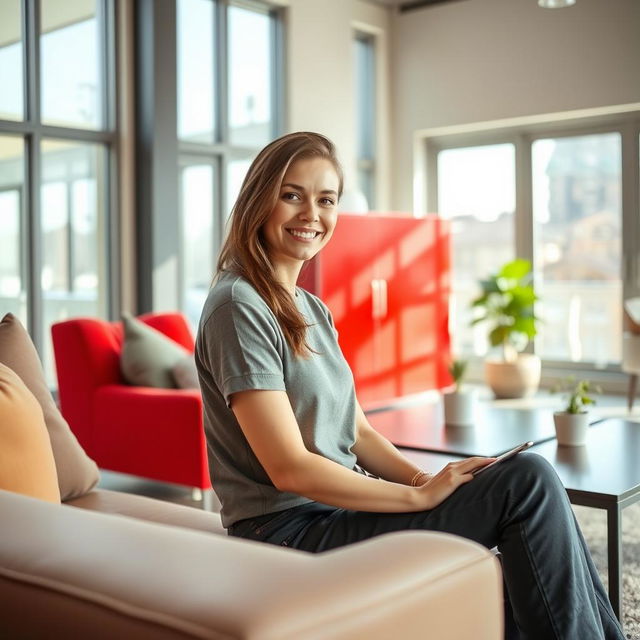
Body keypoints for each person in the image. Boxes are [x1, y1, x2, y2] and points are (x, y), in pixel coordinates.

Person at [195, 131, 624, 639]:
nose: (311, 213)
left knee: (537, 528)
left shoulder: (310, 308)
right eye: (292, 194)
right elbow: (288, 468)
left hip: (335, 511)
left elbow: (357, 433)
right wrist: (417, 501)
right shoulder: (239, 305)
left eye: (326, 199)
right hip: (288, 533)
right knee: (525, 482)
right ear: (258, 200)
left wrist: (423, 480)